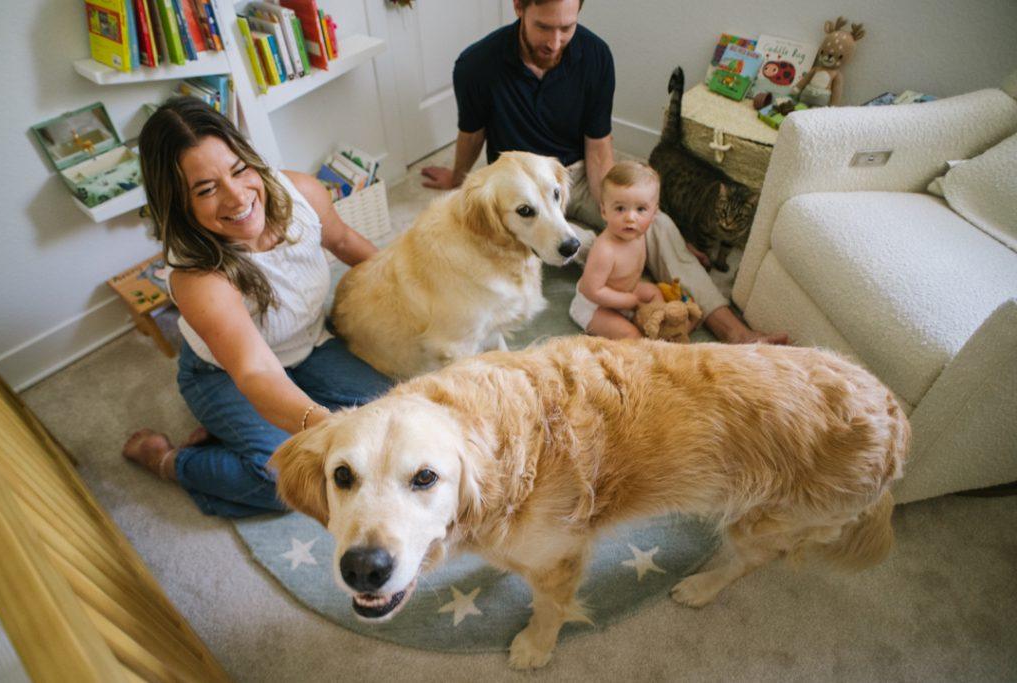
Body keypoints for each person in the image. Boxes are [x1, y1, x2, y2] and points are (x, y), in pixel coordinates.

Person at [421, 0, 787, 344]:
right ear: (518, 6)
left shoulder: (595, 56)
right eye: (543, 27)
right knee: (591, 244)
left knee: (656, 225)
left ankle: (735, 332)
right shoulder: (475, 65)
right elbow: (472, 133)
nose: (555, 42)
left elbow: (598, 149)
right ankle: (635, 274)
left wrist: (624, 213)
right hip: (522, 187)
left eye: (567, 27)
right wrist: (457, 178)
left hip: (575, 174)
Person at [121, 97, 393, 518]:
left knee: (393, 413)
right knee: (284, 481)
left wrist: (406, 290)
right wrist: (327, 430)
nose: (237, 198)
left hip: (309, 343)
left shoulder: (301, 191)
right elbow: (255, 370)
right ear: (179, 203)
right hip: (223, 374)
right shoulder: (197, 277)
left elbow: (343, 241)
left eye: (238, 171)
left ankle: (231, 429)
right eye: (206, 189)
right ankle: (171, 462)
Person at [571, 161, 666, 339]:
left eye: (641, 209)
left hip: (626, 292)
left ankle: (659, 322)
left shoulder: (639, 234)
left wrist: (631, 299)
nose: (630, 218)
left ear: (654, 214)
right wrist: (628, 301)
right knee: (631, 336)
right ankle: (640, 334)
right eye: (620, 208)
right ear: (604, 211)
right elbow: (591, 290)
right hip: (594, 306)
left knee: (654, 292)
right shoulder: (605, 249)